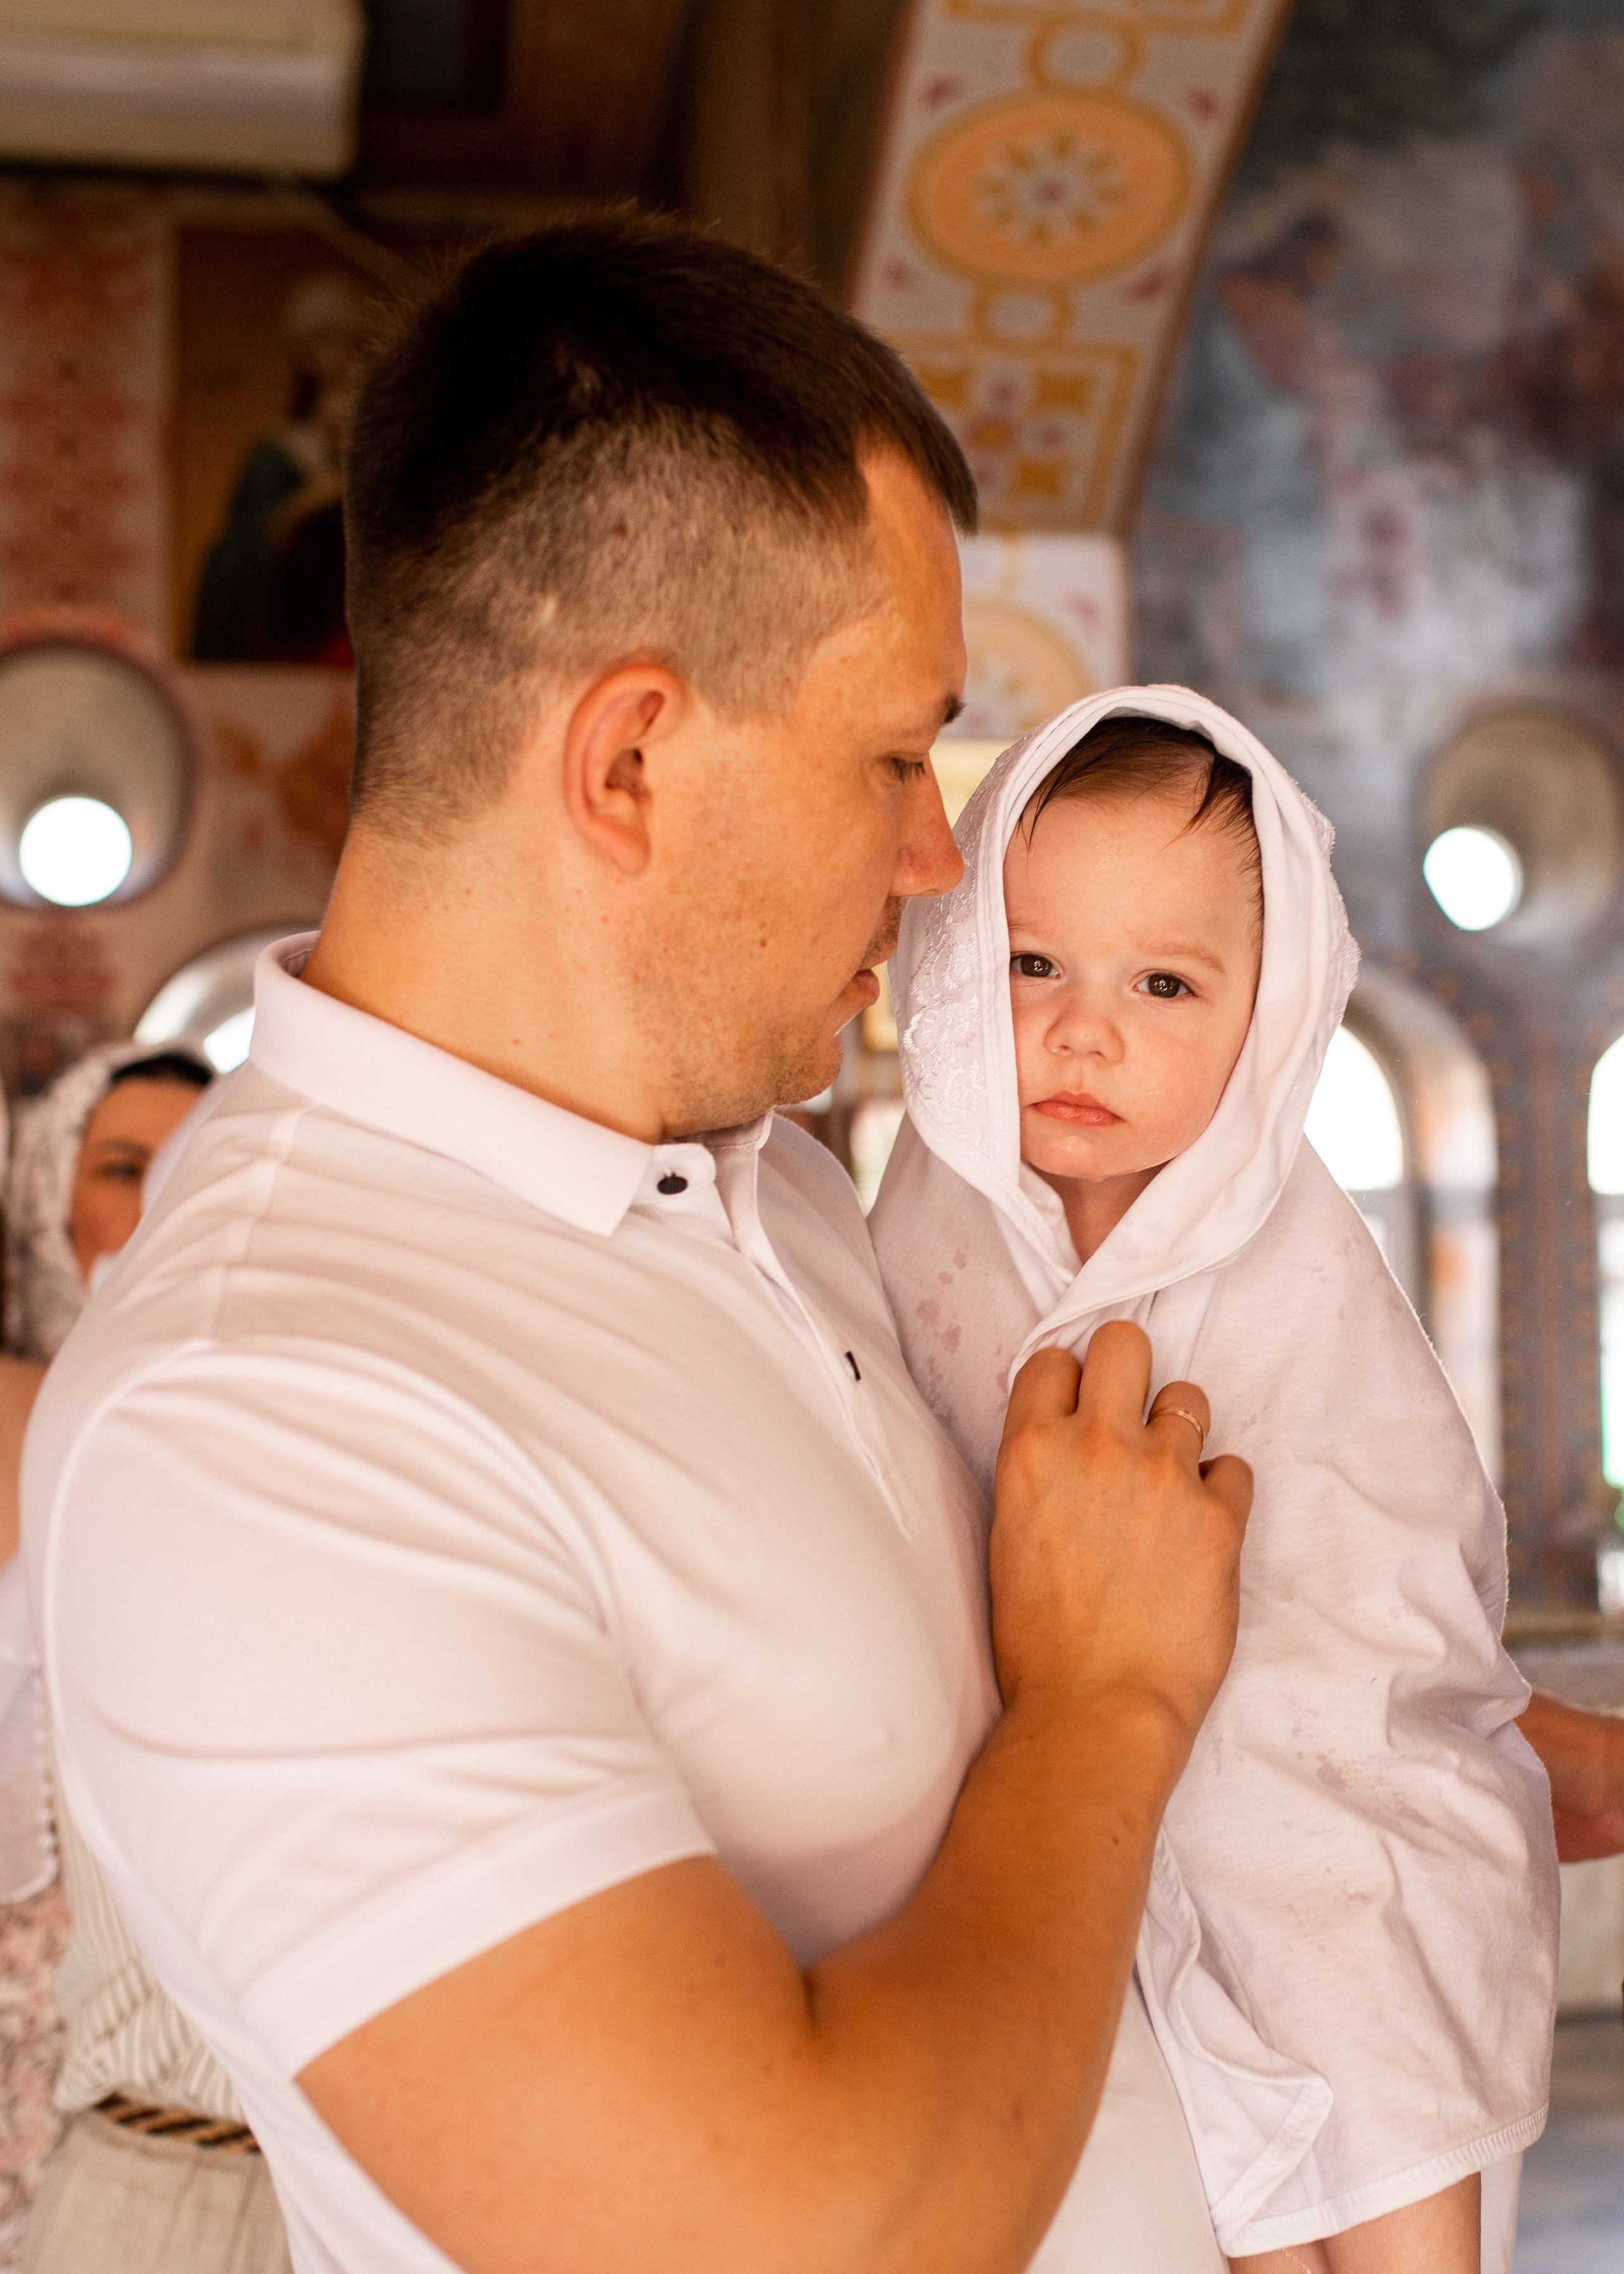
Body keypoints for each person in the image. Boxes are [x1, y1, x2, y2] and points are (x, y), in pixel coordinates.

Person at [24, 213, 1257, 2274]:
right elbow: (795, 2236)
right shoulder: (260, 1411)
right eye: (892, 754)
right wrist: (1108, 1704)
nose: (935, 852)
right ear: (628, 761)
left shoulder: (765, 1169)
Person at [870, 691, 1559, 2273]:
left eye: (1164, 982)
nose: (1080, 1028)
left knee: (1368, 1996)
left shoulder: (1297, 1256)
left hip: (1333, 1772)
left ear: (1275, 1009)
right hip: (1086, 1782)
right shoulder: (921, 1213)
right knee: (1217, 2179)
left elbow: (1392, 1548)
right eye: (1032, 962)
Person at [0, 1042, 295, 2274]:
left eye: (196, 1162)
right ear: (49, 1195)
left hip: (186, 2087)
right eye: (125, 1167)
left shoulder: (271, 1431)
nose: (160, 1198)